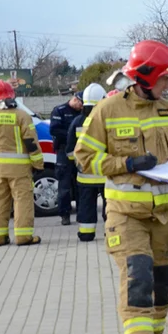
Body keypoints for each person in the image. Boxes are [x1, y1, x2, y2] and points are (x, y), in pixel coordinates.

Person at [74, 40, 168, 334]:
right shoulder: (108, 110)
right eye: (164, 79)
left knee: (163, 282)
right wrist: (126, 162)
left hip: (166, 216)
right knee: (138, 275)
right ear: (145, 77)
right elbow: (84, 158)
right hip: (126, 213)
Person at [0, 80, 44, 246]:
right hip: (19, 170)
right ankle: (23, 237)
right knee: (22, 201)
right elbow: (31, 143)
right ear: (12, 95)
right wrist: (38, 164)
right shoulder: (22, 116)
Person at [67, 83, 109, 241]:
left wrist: (78, 165)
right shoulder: (107, 121)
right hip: (106, 173)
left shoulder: (77, 122)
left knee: (86, 204)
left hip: (85, 175)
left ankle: (86, 233)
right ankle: (110, 231)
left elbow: (70, 150)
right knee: (110, 204)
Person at [50, 91, 83, 225]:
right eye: (81, 103)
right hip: (64, 150)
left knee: (81, 184)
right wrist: (71, 135)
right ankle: (65, 214)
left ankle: (82, 213)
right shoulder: (60, 111)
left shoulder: (82, 112)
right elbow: (54, 130)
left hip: (79, 150)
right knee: (64, 185)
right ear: (75, 99)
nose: (82, 107)